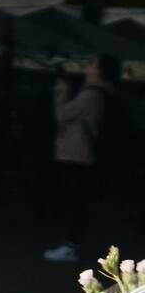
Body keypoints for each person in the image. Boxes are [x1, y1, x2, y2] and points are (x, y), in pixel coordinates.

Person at [43, 58, 114, 262]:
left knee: (74, 202)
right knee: (77, 201)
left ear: (98, 70)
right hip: (83, 154)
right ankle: (71, 244)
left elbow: (63, 115)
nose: (88, 65)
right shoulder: (100, 93)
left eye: (92, 63)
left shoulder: (91, 94)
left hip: (77, 154)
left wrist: (62, 93)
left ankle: (70, 246)